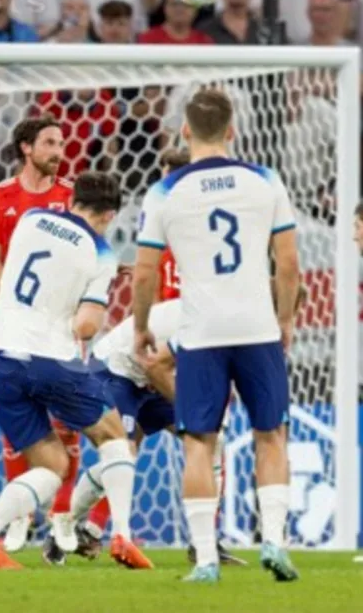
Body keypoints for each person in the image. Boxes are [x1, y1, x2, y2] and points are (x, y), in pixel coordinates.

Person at [131, 88, 301, 583]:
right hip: (256, 327)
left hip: (200, 331)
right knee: (271, 435)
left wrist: (142, 327)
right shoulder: (266, 180)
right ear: (232, 131)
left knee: (199, 443)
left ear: (185, 133)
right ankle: (273, 540)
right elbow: (288, 263)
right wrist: (285, 319)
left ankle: (205, 560)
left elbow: (144, 273)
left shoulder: (166, 191)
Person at [0, 171, 151, 571]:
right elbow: (85, 326)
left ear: (72, 199)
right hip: (48, 358)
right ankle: (122, 535)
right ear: (111, 214)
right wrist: (97, 286)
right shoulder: (101, 252)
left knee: (52, 465)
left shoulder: (31, 221)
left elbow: (46, 264)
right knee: (114, 432)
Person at [0, 117, 100, 560]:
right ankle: (18, 516)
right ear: (26, 147)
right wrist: (12, 302)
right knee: (19, 426)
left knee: (69, 424)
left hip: (62, 327)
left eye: (61, 142)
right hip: (16, 324)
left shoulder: (71, 197)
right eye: (49, 142)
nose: (58, 150)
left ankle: (62, 519)